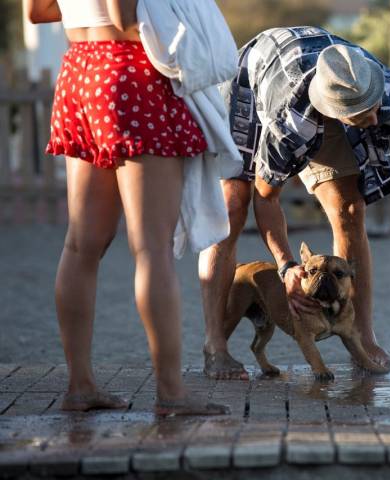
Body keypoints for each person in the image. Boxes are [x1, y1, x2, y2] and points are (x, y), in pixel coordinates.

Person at [199, 26, 390, 380]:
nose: (373, 121)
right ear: (334, 112)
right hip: (256, 78)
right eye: (359, 115)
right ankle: (215, 346)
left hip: (323, 72)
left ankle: (363, 341)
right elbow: (266, 199)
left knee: (350, 211)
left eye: (371, 109)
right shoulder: (290, 124)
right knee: (233, 205)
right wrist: (286, 267)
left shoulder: (387, 92)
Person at [27, 0, 227, 415]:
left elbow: (38, 11)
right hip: (130, 73)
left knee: (82, 244)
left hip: (81, 69)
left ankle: (80, 385)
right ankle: (172, 392)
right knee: (151, 248)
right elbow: (124, 19)